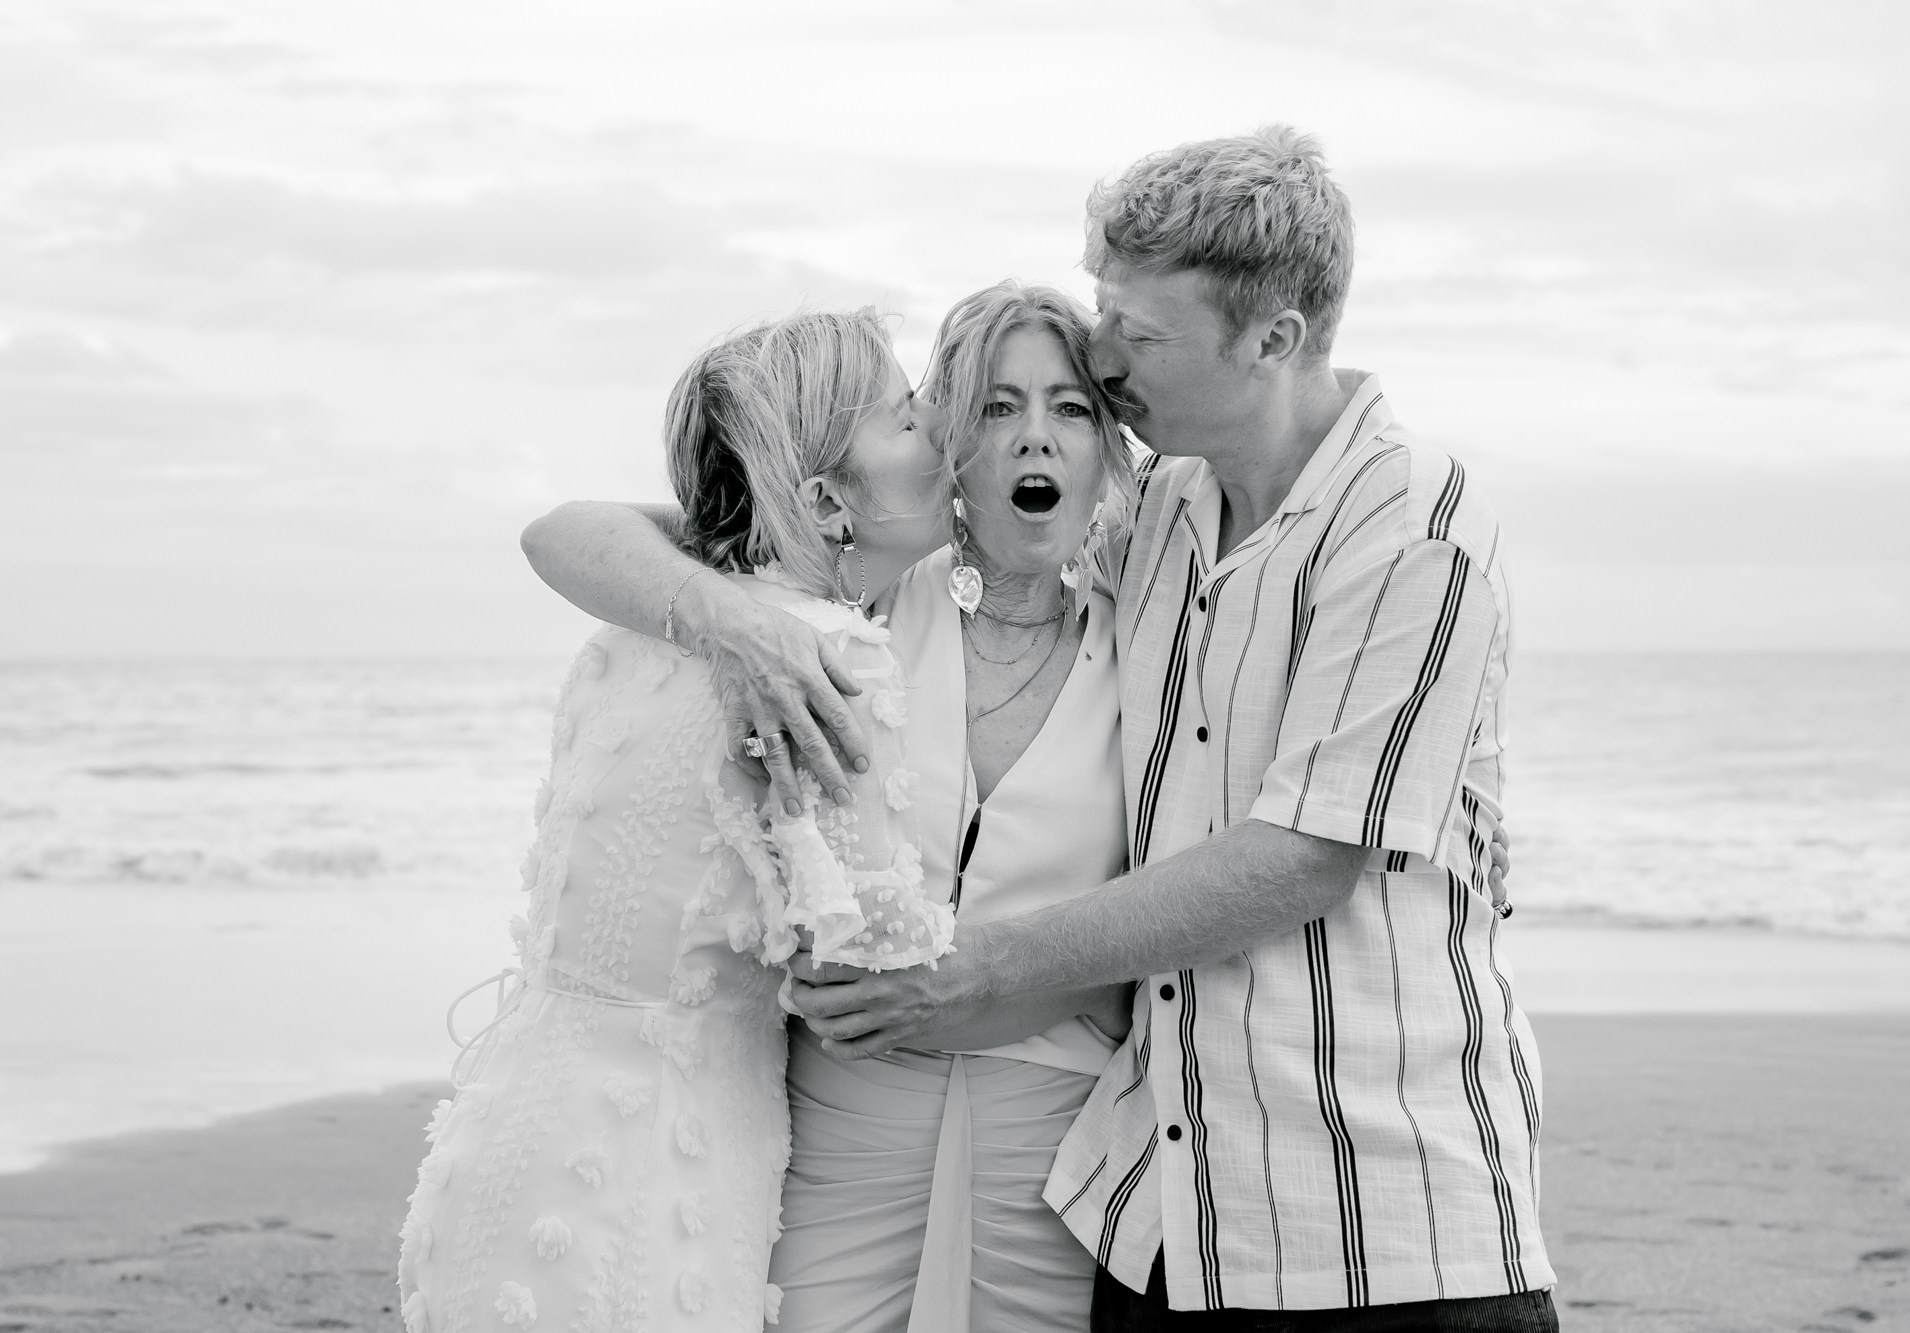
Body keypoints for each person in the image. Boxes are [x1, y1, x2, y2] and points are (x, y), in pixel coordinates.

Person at [529, 127, 1554, 1330]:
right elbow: (589, 532)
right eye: (1006, 401)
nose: (1099, 375)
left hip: (1268, 1180)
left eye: (1115, 359)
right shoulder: (1086, 541)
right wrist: (728, 623)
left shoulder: (1321, 534)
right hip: (1098, 1183)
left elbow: (1306, 854)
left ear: (1270, 341)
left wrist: (975, 980)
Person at [521, 281, 1144, 1332]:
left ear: (1105, 447)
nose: (1033, 436)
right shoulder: (850, 597)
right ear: (945, 443)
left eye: (1069, 407)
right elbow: (566, 534)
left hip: (1061, 1131)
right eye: (995, 407)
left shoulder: (1155, 640)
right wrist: (728, 623)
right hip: (841, 1119)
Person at [397, 308, 966, 1333]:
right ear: (828, 500)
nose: (942, 432)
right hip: (662, 1152)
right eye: (907, 417)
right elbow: (865, 957)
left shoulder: (627, 633)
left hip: (509, 1124)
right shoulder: (834, 660)